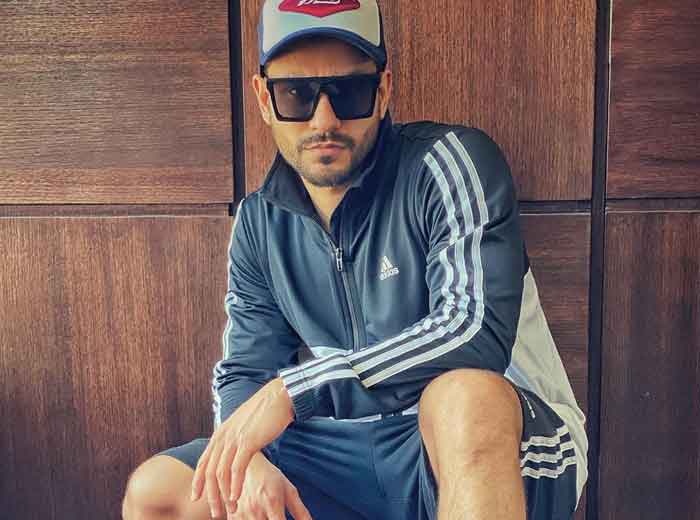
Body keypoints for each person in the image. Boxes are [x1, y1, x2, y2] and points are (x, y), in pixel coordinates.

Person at [122, 1, 588, 519]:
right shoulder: (259, 220)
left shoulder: (448, 163)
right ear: (263, 98)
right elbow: (246, 370)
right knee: (160, 493)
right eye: (297, 94)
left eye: (350, 93)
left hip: (479, 444)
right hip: (336, 450)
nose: (325, 120)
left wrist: (295, 392)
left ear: (383, 90)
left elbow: (472, 332)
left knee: (463, 396)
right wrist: (246, 457)